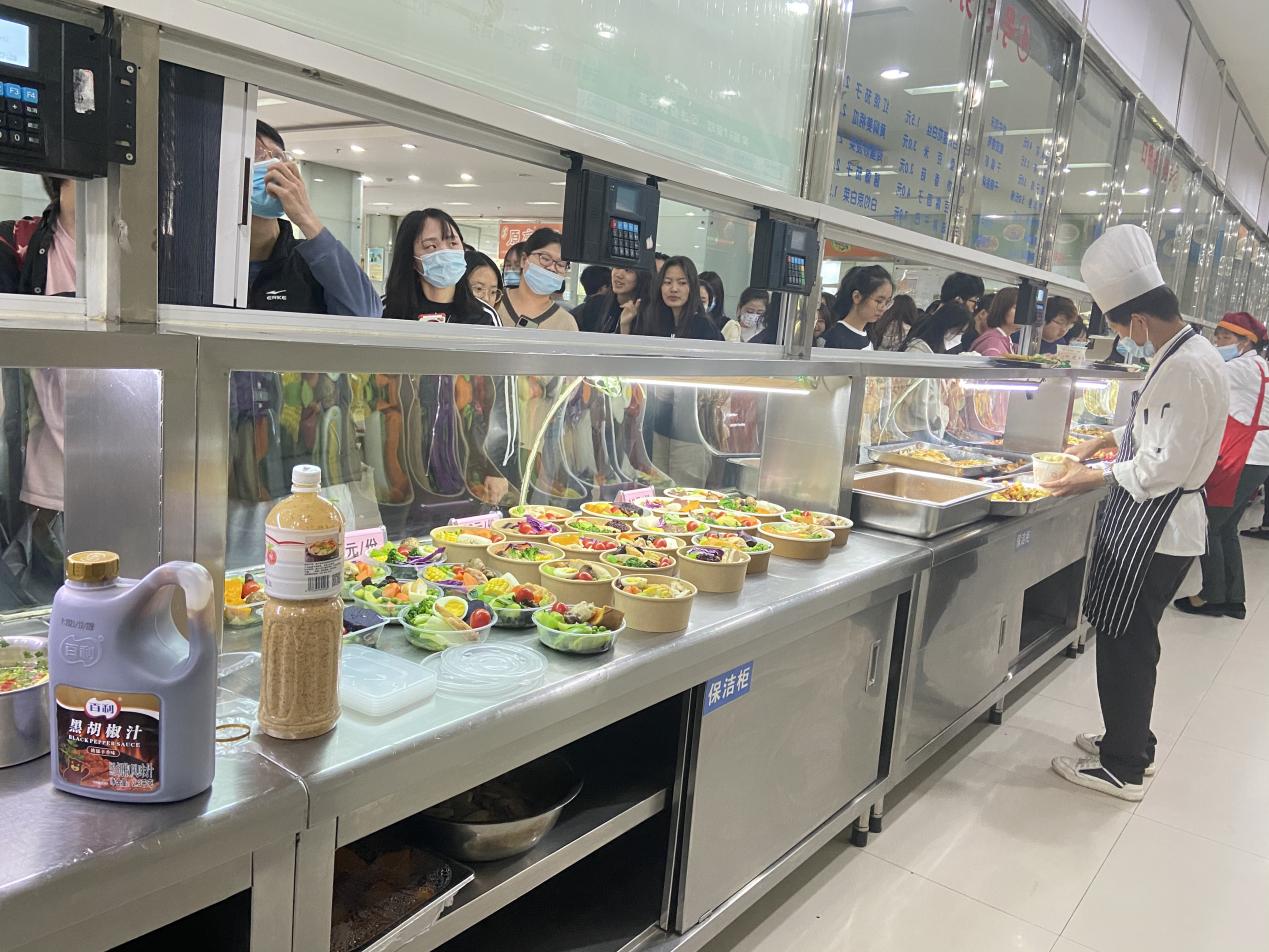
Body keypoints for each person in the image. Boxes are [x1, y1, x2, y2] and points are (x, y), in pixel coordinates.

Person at [1046, 224, 1227, 802]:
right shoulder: (1185, 352)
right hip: (1158, 520)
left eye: (1123, 329)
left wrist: (1091, 475)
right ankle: (1131, 740)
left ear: (1141, 320)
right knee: (1130, 636)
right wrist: (1104, 440)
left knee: (1126, 641)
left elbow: (1164, 467)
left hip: (1160, 525)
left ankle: (1121, 767)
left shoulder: (1188, 366)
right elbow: (1154, 427)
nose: (1125, 339)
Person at [0, 176, 75, 604]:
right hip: (47, 474)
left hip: (135, 470)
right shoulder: (17, 243)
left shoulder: (153, 250)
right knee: (54, 608)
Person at [1174, 312, 1269, 619]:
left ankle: (1212, 596)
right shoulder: (1259, 365)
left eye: (1225, 338)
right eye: (1217, 337)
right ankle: (1233, 597)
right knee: (1226, 527)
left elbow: (1197, 377)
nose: (1218, 343)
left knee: (1209, 525)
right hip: (1255, 457)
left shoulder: (1240, 368)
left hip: (1243, 456)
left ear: (1246, 342)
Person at [248, 121, 380, 316]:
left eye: (278, 156)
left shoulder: (310, 261)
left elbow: (367, 314)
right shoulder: (210, 261)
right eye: (257, 156)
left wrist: (306, 217)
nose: (272, 167)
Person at [382, 209, 495, 324]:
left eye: (453, 243)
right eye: (431, 246)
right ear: (410, 258)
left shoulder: (484, 315)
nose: (445, 252)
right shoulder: (384, 310)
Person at [496, 228, 578, 331]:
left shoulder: (565, 323)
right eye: (545, 258)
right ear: (524, 260)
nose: (552, 268)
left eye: (561, 264)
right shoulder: (493, 301)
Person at [624, 255, 723, 340]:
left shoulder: (705, 327)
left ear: (692, 287)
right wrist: (625, 325)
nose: (674, 289)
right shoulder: (650, 320)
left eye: (682, 283)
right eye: (667, 282)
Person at [823, 265, 892, 350]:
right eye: (879, 301)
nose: (883, 308)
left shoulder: (870, 334)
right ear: (857, 297)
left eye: (887, 302)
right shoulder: (835, 337)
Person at [573, 266, 650, 334]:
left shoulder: (647, 313)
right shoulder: (596, 305)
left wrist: (625, 327)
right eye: (617, 267)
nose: (619, 275)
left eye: (628, 270)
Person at [902, 301, 972, 355]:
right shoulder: (918, 349)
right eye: (959, 332)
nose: (959, 336)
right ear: (946, 326)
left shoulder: (941, 348)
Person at [970, 287, 1019, 356]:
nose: (1022, 313)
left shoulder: (1004, 339)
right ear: (1003, 309)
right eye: (1016, 308)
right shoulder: (993, 342)